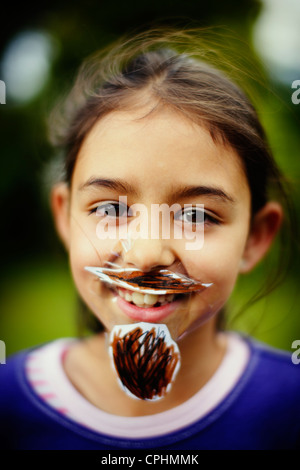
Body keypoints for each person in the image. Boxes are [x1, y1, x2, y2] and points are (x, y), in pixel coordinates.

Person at [0, 28, 299, 450]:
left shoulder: (289, 407)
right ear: (65, 218)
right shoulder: (8, 404)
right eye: (110, 210)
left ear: (255, 237)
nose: (146, 254)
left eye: (196, 215)